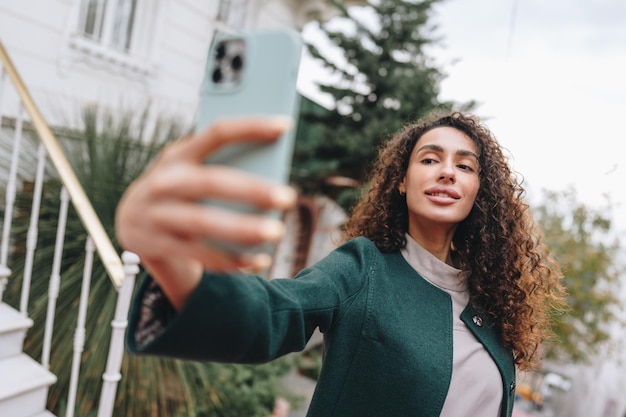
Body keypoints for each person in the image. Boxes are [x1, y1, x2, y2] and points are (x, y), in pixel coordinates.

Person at [115, 111, 567, 417]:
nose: (447, 171)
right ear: (401, 182)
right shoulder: (364, 268)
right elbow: (273, 313)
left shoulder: (489, 297)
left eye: (465, 166)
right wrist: (169, 257)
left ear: (478, 193)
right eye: (430, 159)